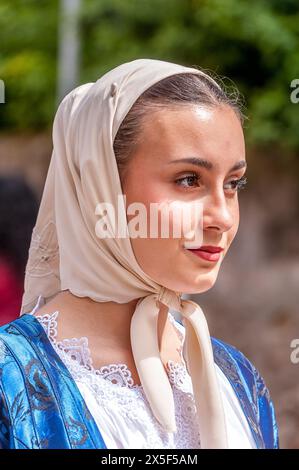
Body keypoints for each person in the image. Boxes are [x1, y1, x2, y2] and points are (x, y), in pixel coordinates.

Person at [0, 58, 279, 449]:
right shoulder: (10, 380)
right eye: (188, 180)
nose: (222, 216)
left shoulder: (238, 378)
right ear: (102, 186)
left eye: (233, 184)